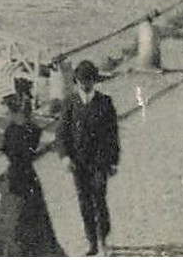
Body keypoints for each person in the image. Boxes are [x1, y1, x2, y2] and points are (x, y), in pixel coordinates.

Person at [0, 78, 63, 257]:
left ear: (15, 111)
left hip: (15, 180)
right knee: (31, 218)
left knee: (14, 220)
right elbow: (25, 152)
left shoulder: (11, 131)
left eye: (8, 110)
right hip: (28, 178)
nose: (6, 113)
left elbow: (16, 154)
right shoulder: (32, 130)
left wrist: (2, 147)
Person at [56, 60, 119, 256]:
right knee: (84, 202)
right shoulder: (70, 103)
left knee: (99, 199)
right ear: (76, 81)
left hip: (100, 162)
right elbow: (61, 134)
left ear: (94, 81)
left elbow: (112, 135)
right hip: (78, 163)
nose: (85, 84)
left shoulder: (105, 102)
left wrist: (113, 161)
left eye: (89, 80)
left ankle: (103, 240)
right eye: (82, 80)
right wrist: (65, 156)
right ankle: (91, 241)